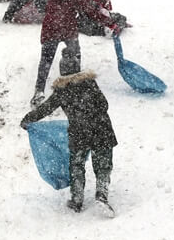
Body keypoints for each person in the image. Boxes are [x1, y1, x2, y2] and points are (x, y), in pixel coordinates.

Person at [20, 62, 118, 212]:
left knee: (76, 166)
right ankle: (102, 195)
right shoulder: (90, 83)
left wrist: (28, 119)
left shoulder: (62, 90)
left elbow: (46, 108)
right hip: (101, 128)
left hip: (79, 133)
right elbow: (104, 105)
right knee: (103, 165)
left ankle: (77, 200)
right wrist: (92, 115)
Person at [30, 0, 85, 106]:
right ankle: (75, 88)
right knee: (75, 54)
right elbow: (85, 12)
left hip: (50, 27)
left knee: (46, 60)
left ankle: (39, 91)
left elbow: (41, 6)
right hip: (68, 27)